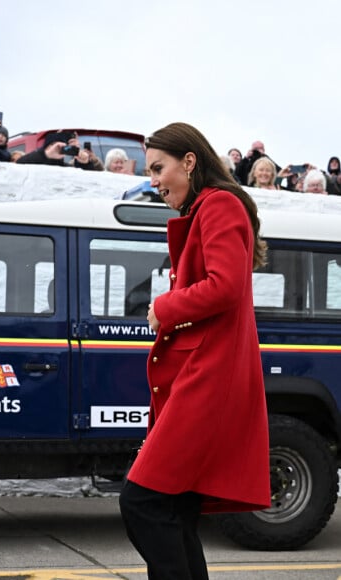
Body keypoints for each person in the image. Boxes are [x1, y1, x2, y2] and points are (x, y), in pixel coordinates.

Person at [119, 122, 270, 580]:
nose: (154, 180)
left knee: (142, 501)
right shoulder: (210, 208)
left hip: (207, 377)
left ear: (190, 161)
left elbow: (224, 287)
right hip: (199, 374)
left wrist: (164, 306)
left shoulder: (219, 205)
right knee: (175, 507)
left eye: (159, 168)